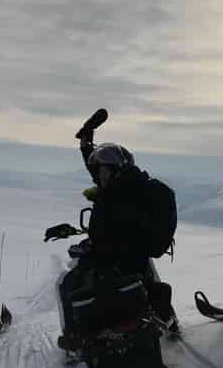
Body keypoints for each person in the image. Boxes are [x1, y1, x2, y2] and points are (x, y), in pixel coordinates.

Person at [52, 140, 178, 349]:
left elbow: (107, 234)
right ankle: (168, 320)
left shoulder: (113, 195)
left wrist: (94, 246)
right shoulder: (135, 187)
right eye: (98, 172)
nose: (99, 177)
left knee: (66, 283)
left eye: (102, 171)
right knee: (150, 283)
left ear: (114, 169)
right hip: (135, 260)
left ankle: (73, 338)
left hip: (114, 261)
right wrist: (86, 148)